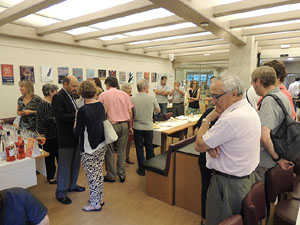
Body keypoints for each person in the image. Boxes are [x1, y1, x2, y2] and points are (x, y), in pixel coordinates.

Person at [194, 76, 261, 225]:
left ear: (234, 94)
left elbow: (199, 145)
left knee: (221, 221)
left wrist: (207, 119)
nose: (212, 101)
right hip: (242, 179)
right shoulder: (248, 109)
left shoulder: (231, 118)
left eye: (216, 96)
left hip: (228, 184)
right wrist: (210, 144)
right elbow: (208, 142)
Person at [251, 66, 294, 182]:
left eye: (252, 82)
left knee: (261, 196)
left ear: (258, 82)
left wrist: (278, 159)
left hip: (266, 160)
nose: (253, 86)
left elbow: (264, 137)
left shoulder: (269, 101)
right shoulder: (283, 96)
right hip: (279, 151)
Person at [73, 81, 107, 212]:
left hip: (89, 148)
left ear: (81, 94)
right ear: (94, 91)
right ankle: (99, 198)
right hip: (101, 144)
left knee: (92, 175)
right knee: (98, 172)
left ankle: (94, 203)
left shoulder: (82, 110)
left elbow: (77, 132)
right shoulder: (100, 105)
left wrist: (75, 120)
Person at [52, 75, 85, 205]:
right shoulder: (58, 97)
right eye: (74, 86)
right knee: (65, 166)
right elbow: (59, 117)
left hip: (75, 136)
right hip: (65, 137)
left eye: (77, 86)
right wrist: (76, 115)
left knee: (76, 163)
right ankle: (61, 192)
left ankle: (72, 185)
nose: (76, 88)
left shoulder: (72, 96)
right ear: (65, 84)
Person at [98, 76, 133, 183]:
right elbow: (130, 112)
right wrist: (130, 126)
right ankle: (122, 174)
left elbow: (100, 113)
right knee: (122, 151)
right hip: (124, 125)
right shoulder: (124, 94)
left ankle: (111, 175)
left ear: (107, 84)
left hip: (110, 126)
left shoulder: (103, 95)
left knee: (109, 151)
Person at [131, 79, 160, 176]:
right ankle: (150, 168)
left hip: (137, 127)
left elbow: (131, 114)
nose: (148, 88)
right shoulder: (152, 98)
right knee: (149, 148)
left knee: (139, 149)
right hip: (148, 127)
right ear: (145, 87)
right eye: (148, 86)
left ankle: (142, 170)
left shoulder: (133, 99)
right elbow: (158, 110)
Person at [36, 83, 59, 185]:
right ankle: (50, 177)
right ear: (50, 92)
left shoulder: (51, 102)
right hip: (47, 136)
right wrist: (60, 118)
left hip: (54, 134)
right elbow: (47, 120)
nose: (57, 93)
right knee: (50, 158)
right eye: (55, 91)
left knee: (57, 156)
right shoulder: (43, 104)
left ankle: (59, 175)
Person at [121, 83, 135, 165]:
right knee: (124, 143)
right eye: (129, 92)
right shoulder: (123, 99)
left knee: (129, 142)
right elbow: (129, 112)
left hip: (130, 122)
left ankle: (127, 157)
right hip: (126, 122)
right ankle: (123, 160)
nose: (130, 94)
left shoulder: (129, 98)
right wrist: (130, 125)